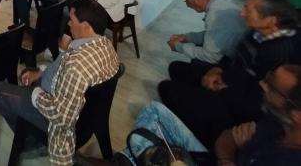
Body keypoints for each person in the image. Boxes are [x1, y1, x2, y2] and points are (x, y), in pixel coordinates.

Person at [158, 0, 301, 147]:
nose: (242, 13)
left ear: (270, 20)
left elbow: (260, 100)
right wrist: (217, 70)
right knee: (176, 68)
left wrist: (222, 88)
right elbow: (237, 58)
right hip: (229, 78)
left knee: (167, 88)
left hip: (240, 103)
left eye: (248, 10)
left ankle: (207, 138)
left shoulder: (281, 53)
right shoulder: (258, 31)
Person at [82, 65, 301, 166]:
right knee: (154, 110)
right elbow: (226, 138)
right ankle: (125, 161)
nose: (263, 84)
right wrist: (227, 155)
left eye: (271, 86)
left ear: (297, 115)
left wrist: (231, 155)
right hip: (214, 157)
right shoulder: (275, 121)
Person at [0, 0, 120, 166]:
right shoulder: (105, 45)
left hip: (57, 114)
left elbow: (61, 117)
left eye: (72, 20)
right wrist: (41, 72)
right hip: (86, 111)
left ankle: (29, 139)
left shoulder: (76, 66)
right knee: (27, 73)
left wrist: (36, 94)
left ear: (86, 26)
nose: (68, 23)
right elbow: (62, 65)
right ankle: (29, 127)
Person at [167, 0, 247, 65]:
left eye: (186, 0)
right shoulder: (220, 3)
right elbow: (213, 34)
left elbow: (211, 57)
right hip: (236, 47)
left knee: (176, 66)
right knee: (197, 47)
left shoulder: (214, 16)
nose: (187, 5)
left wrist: (179, 47)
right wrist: (187, 37)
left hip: (235, 60)